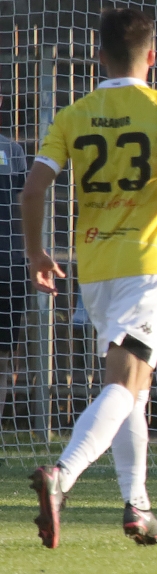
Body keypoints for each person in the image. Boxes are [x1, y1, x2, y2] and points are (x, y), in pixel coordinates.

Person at [20, 8, 157, 547]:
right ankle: (63, 475)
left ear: (98, 57)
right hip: (147, 264)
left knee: (130, 392)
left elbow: (32, 191)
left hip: (93, 269)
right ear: (152, 57)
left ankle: (137, 506)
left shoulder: (73, 114)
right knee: (127, 384)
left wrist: (36, 254)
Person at [0, 96, 28, 426]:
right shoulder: (14, 151)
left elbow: (24, 203)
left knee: (4, 355)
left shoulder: (14, 151)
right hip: (11, 265)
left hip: (9, 266)